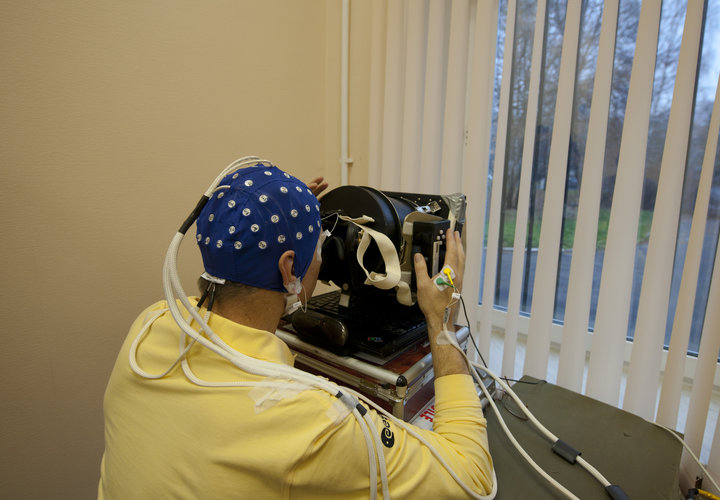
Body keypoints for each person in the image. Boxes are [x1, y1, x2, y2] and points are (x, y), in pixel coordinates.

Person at [98, 159, 494, 499]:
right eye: (318, 249)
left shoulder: (149, 327)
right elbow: (471, 480)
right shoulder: (313, 420)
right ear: (289, 268)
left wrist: (276, 218)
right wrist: (441, 320)